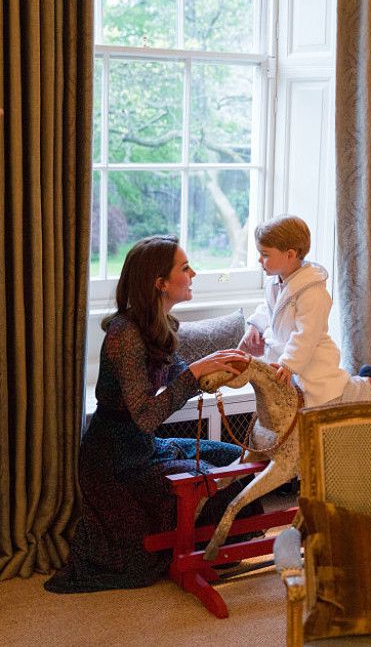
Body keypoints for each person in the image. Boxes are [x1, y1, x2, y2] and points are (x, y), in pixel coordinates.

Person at [45, 235, 260, 593]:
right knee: (204, 476)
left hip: (144, 446)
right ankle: (194, 554)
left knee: (232, 457)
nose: (194, 272)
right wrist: (194, 374)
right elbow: (146, 416)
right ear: (160, 283)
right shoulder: (124, 333)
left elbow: (178, 378)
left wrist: (222, 368)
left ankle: (215, 548)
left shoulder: (162, 323)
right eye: (185, 267)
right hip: (114, 460)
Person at [239, 214, 371, 405]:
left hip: (312, 359)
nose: (259, 260)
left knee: (333, 397)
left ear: (290, 254)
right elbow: (269, 311)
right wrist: (254, 327)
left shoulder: (312, 292)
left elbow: (306, 333)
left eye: (265, 254)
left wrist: (289, 363)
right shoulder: (275, 283)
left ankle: (369, 381)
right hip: (285, 356)